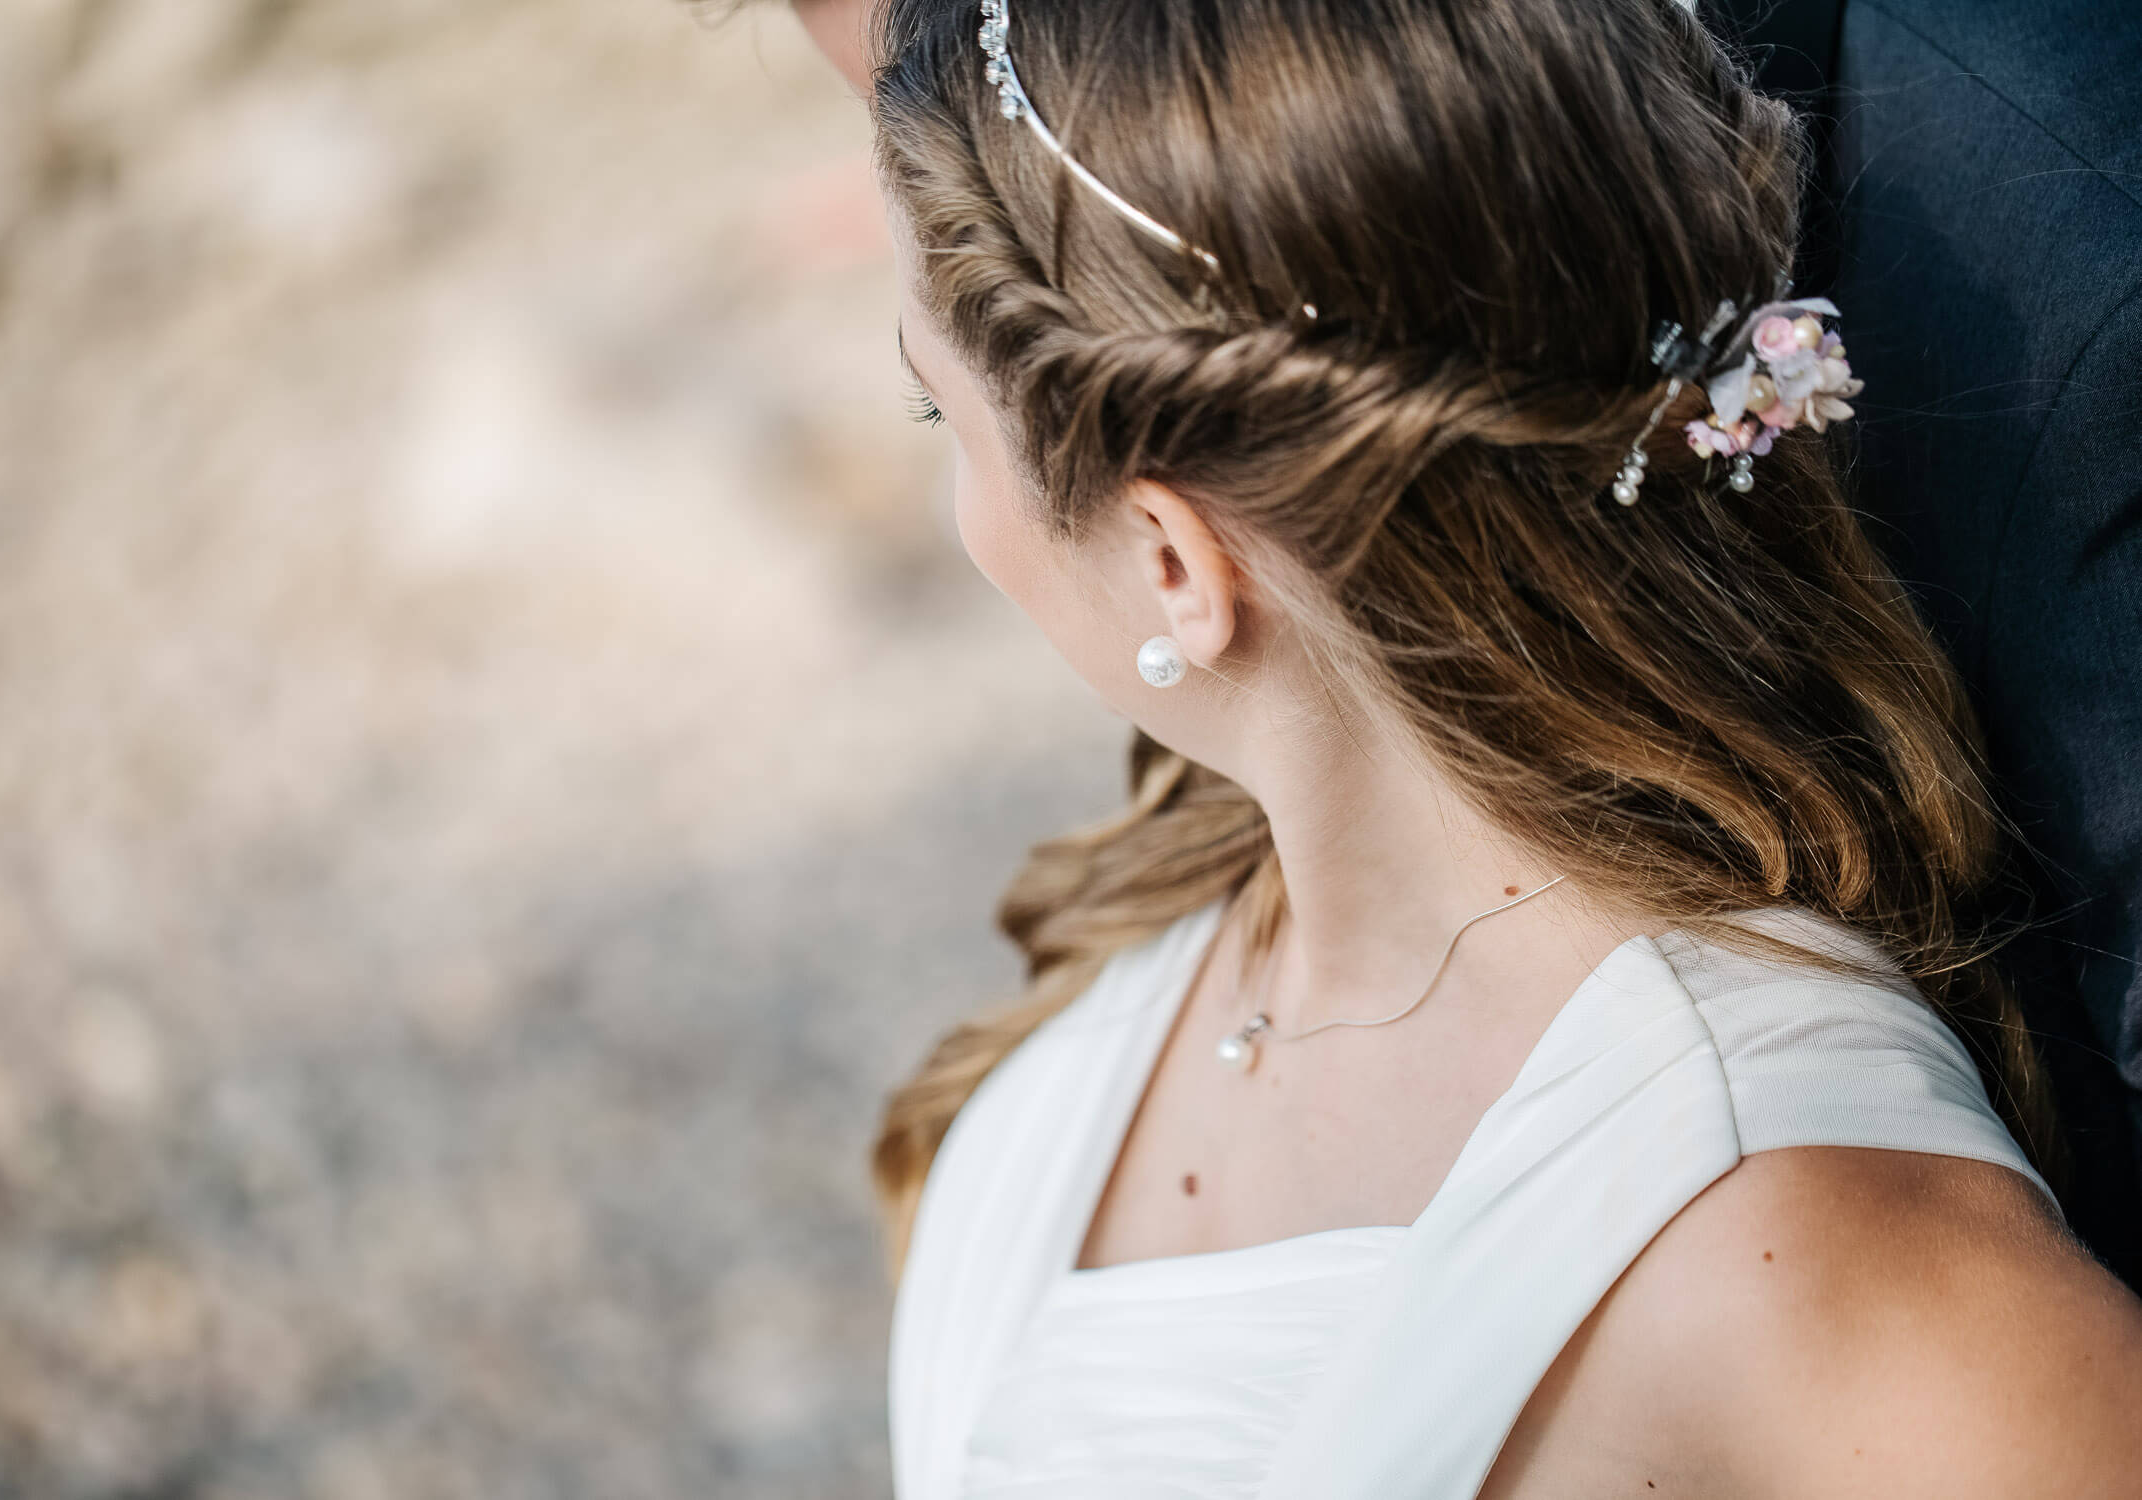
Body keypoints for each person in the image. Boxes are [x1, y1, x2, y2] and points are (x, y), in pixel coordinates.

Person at [767, 0, 2142, 1492]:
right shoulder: (1201, 892)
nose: (959, 516)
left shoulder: (1832, 1278)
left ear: (1177, 561)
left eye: (935, 411)